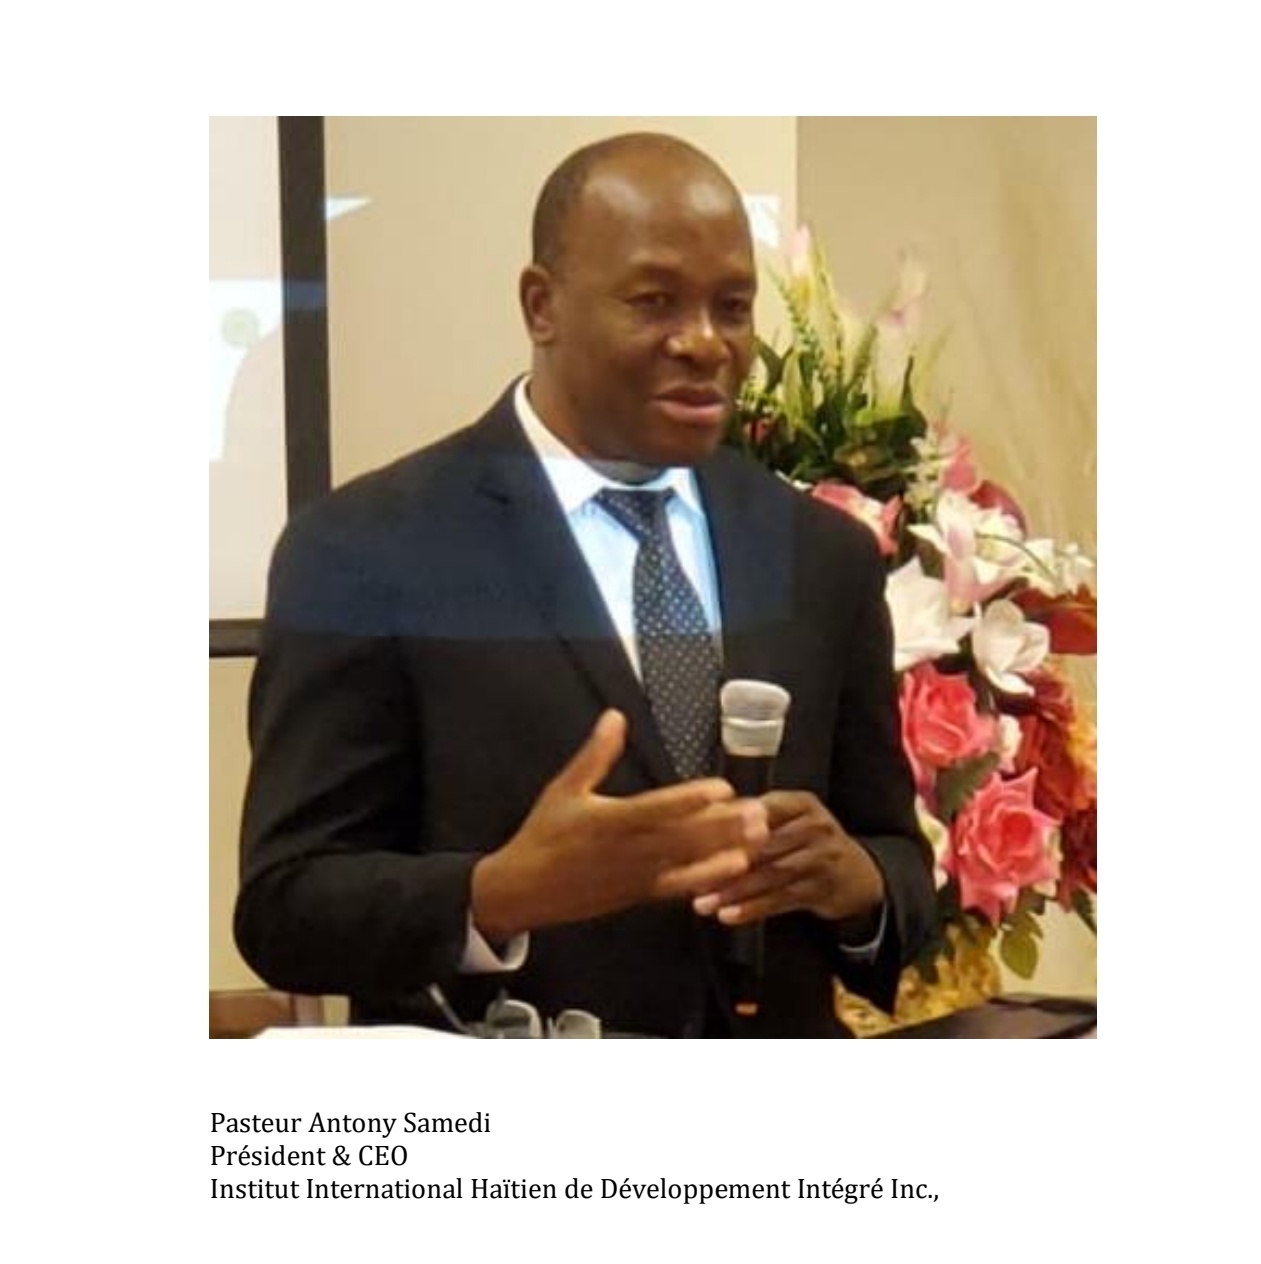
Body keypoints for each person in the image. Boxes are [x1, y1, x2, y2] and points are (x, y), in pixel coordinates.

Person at [235, 132, 937, 1037]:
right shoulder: (367, 549)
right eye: (654, 302)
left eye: (731, 307)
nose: (705, 343)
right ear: (542, 305)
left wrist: (856, 884)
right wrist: (497, 893)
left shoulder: (818, 552)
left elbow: (899, 873)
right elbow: (286, 910)